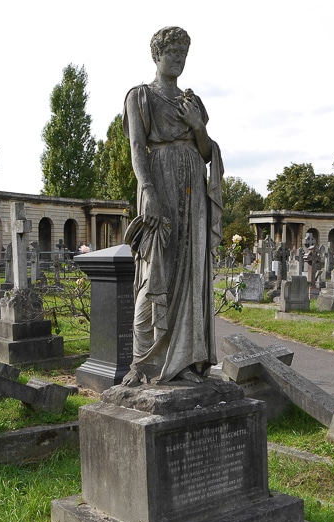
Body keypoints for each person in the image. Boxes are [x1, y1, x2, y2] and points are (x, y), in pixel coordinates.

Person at [122, 26, 223, 386]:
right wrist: (147, 189)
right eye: (172, 53)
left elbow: (208, 153)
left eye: (183, 54)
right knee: (155, 273)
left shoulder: (192, 102)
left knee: (192, 273)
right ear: (157, 55)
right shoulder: (140, 96)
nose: (178, 59)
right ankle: (143, 364)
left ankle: (184, 362)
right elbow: (137, 148)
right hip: (160, 184)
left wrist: (198, 127)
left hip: (194, 189)